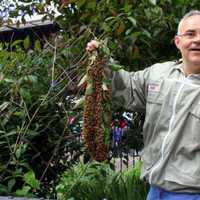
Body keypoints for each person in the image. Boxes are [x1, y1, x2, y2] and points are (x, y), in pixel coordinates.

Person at [86, 10, 200, 200]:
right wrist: (102, 62)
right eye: (190, 34)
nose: (197, 40)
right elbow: (126, 86)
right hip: (154, 191)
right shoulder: (158, 74)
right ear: (178, 41)